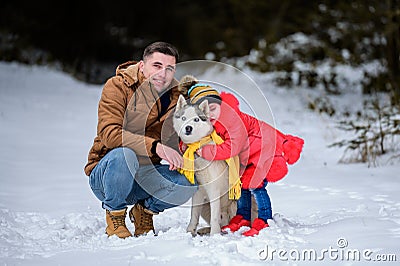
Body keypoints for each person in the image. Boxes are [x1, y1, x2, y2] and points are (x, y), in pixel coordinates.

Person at [84, 42, 197, 238]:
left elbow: (180, 138)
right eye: (157, 66)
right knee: (123, 155)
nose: (163, 73)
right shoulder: (118, 86)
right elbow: (109, 133)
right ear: (142, 66)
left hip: (145, 174)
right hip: (109, 175)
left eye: (170, 68)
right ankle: (115, 214)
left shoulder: (176, 97)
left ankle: (144, 211)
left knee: (191, 179)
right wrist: (156, 147)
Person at [179, 78, 304, 236]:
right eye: (205, 111)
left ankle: (264, 221)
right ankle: (242, 219)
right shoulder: (215, 120)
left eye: (212, 108)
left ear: (220, 104)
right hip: (249, 157)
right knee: (244, 186)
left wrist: (206, 152)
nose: (209, 114)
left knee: (256, 187)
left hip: (264, 153)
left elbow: (231, 148)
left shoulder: (231, 120)